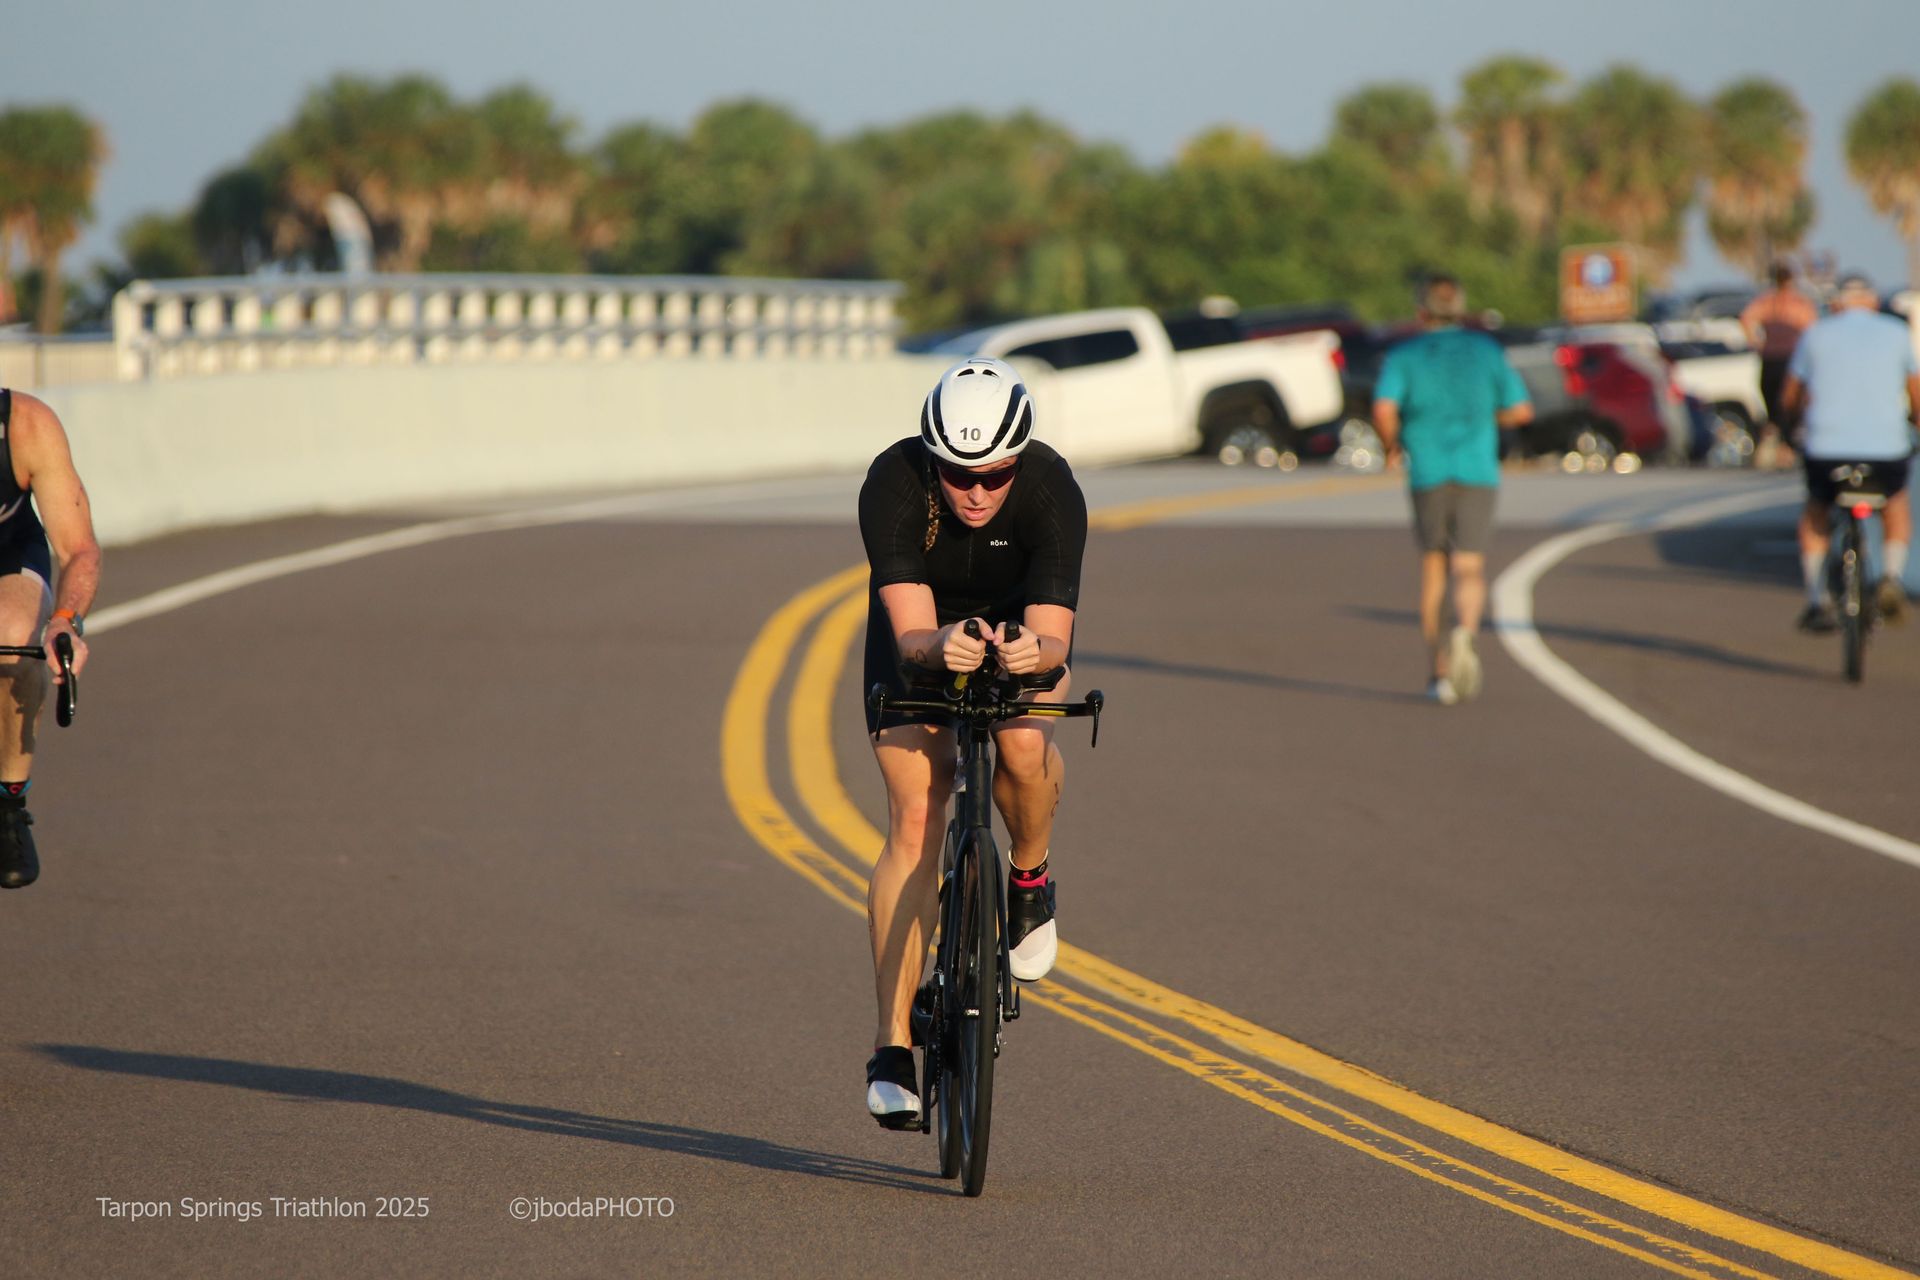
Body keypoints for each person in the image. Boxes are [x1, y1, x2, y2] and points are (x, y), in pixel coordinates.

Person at [856, 357, 1086, 1127]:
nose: (978, 492)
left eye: (995, 475)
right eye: (959, 475)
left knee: (1022, 747)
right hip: (922, 637)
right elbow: (911, 634)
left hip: (1020, 634)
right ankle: (892, 1046)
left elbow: (1055, 642)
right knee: (918, 815)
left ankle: (1029, 880)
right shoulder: (894, 481)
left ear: (1018, 460)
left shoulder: (1051, 488)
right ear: (933, 460)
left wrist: (1029, 653)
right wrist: (940, 644)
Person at [1372, 275, 1533, 705]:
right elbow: (1521, 410)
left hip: (1428, 470)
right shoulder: (1485, 350)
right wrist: (1483, 418)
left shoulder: (1405, 354)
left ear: (1421, 311)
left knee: (1434, 567)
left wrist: (1392, 446)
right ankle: (1467, 630)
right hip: (1477, 469)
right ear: (1461, 309)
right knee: (1469, 566)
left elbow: (1383, 409)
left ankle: (1439, 672)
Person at [0, 389, 101, 889]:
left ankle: (9, 804)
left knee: (14, 637)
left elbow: (79, 549)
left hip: (8, 553)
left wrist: (63, 621)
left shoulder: (27, 426)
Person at [1780, 272, 1920, 631]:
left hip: (1826, 450)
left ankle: (1817, 599)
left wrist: (1788, 429)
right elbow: (1916, 393)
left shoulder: (1816, 334)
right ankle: (1891, 576)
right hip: (1886, 451)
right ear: (1872, 302)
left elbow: (1791, 395)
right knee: (1895, 505)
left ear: (1837, 303)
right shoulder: (1897, 333)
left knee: (1816, 511)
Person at [1741, 263, 1820, 468]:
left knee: (1776, 408)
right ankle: (1785, 448)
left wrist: (1756, 342)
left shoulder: (1767, 302)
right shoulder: (1798, 303)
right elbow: (1812, 328)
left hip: (1771, 359)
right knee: (1789, 407)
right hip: (1790, 361)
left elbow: (1747, 318)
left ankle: (1782, 448)